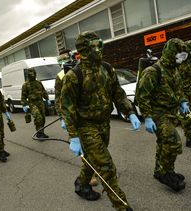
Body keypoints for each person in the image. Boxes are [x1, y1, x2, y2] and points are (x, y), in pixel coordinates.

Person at [61, 31, 141, 211]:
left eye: (99, 45)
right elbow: (67, 107)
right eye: (93, 46)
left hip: (104, 123)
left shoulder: (107, 68)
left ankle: (82, 184)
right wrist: (73, 136)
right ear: (84, 49)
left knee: (91, 158)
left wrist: (130, 112)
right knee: (106, 166)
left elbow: (117, 93)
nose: (97, 50)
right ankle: (122, 206)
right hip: (86, 126)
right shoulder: (74, 75)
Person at [135, 38, 189, 192]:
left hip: (171, 113)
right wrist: (147, 117)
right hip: (158, 114)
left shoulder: (174, 69)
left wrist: (183, 101)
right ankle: (167, 173)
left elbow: (178, 90)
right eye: (180, 55)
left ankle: (160, 171)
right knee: (173, 143)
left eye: (184, 56)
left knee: (163, 143)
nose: (182, 59)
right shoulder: (152, 71)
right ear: (171, 53)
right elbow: (142, 96)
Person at [55, 49, 99, 186]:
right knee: (85, 147)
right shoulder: (61, 76)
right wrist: (62, 117)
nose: (64, 60)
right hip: (73, 116)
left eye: (65, 58)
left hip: (89, 114)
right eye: (61, 59)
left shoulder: (80, 70)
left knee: (96, 145)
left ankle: (94, 169)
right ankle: (89, 174)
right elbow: (58, 99)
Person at [21, 68, 51, 139]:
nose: (32, 76)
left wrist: (47, 99)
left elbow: (43, 91)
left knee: (43, 118)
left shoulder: (38, 83)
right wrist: (24, 105)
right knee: (38, 118)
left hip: (40, 102)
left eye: (33, 74)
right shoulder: (25, 85)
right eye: (31, 74)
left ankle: (42, 132)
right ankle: (39, 134)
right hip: (32, 103)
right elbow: (23, 96)